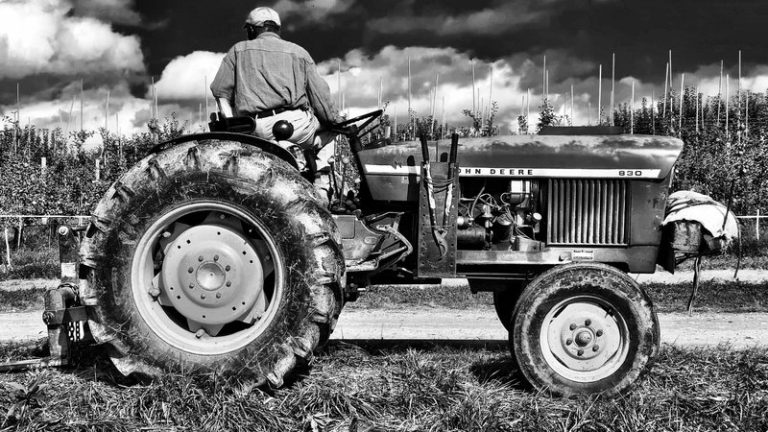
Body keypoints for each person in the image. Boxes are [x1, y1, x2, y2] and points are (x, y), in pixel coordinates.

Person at [210, 6, 339, 205]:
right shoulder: (299, 53)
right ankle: (321, 188)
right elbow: (321, 98)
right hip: (293, 126)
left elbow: (220, 93)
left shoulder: (238, 50)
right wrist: (333, 121)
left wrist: (232, 127)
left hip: (251, 129)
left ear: (253, 29)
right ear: (276, 29)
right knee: (330, 133)